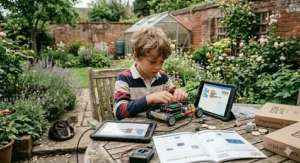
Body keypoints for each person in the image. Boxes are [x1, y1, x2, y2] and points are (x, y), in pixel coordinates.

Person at [113, 27, 188, 120]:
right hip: (133, 130)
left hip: (161, 129)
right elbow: (119, 112)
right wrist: (148, 99)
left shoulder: (163, 77)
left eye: (161, 61)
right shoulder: (124, 78)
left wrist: (180, 95)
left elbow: (177, 100)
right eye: (152, 62)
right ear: (136, 56)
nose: (158, 67)